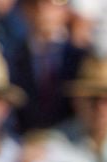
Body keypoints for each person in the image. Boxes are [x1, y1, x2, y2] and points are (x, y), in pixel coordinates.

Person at [8, 0, 87, 132]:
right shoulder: (12, 56)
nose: (43, 9)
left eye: (53, 3)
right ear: (23, 10)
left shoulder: (81, 58)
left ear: (68, 9)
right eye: (34, 3)